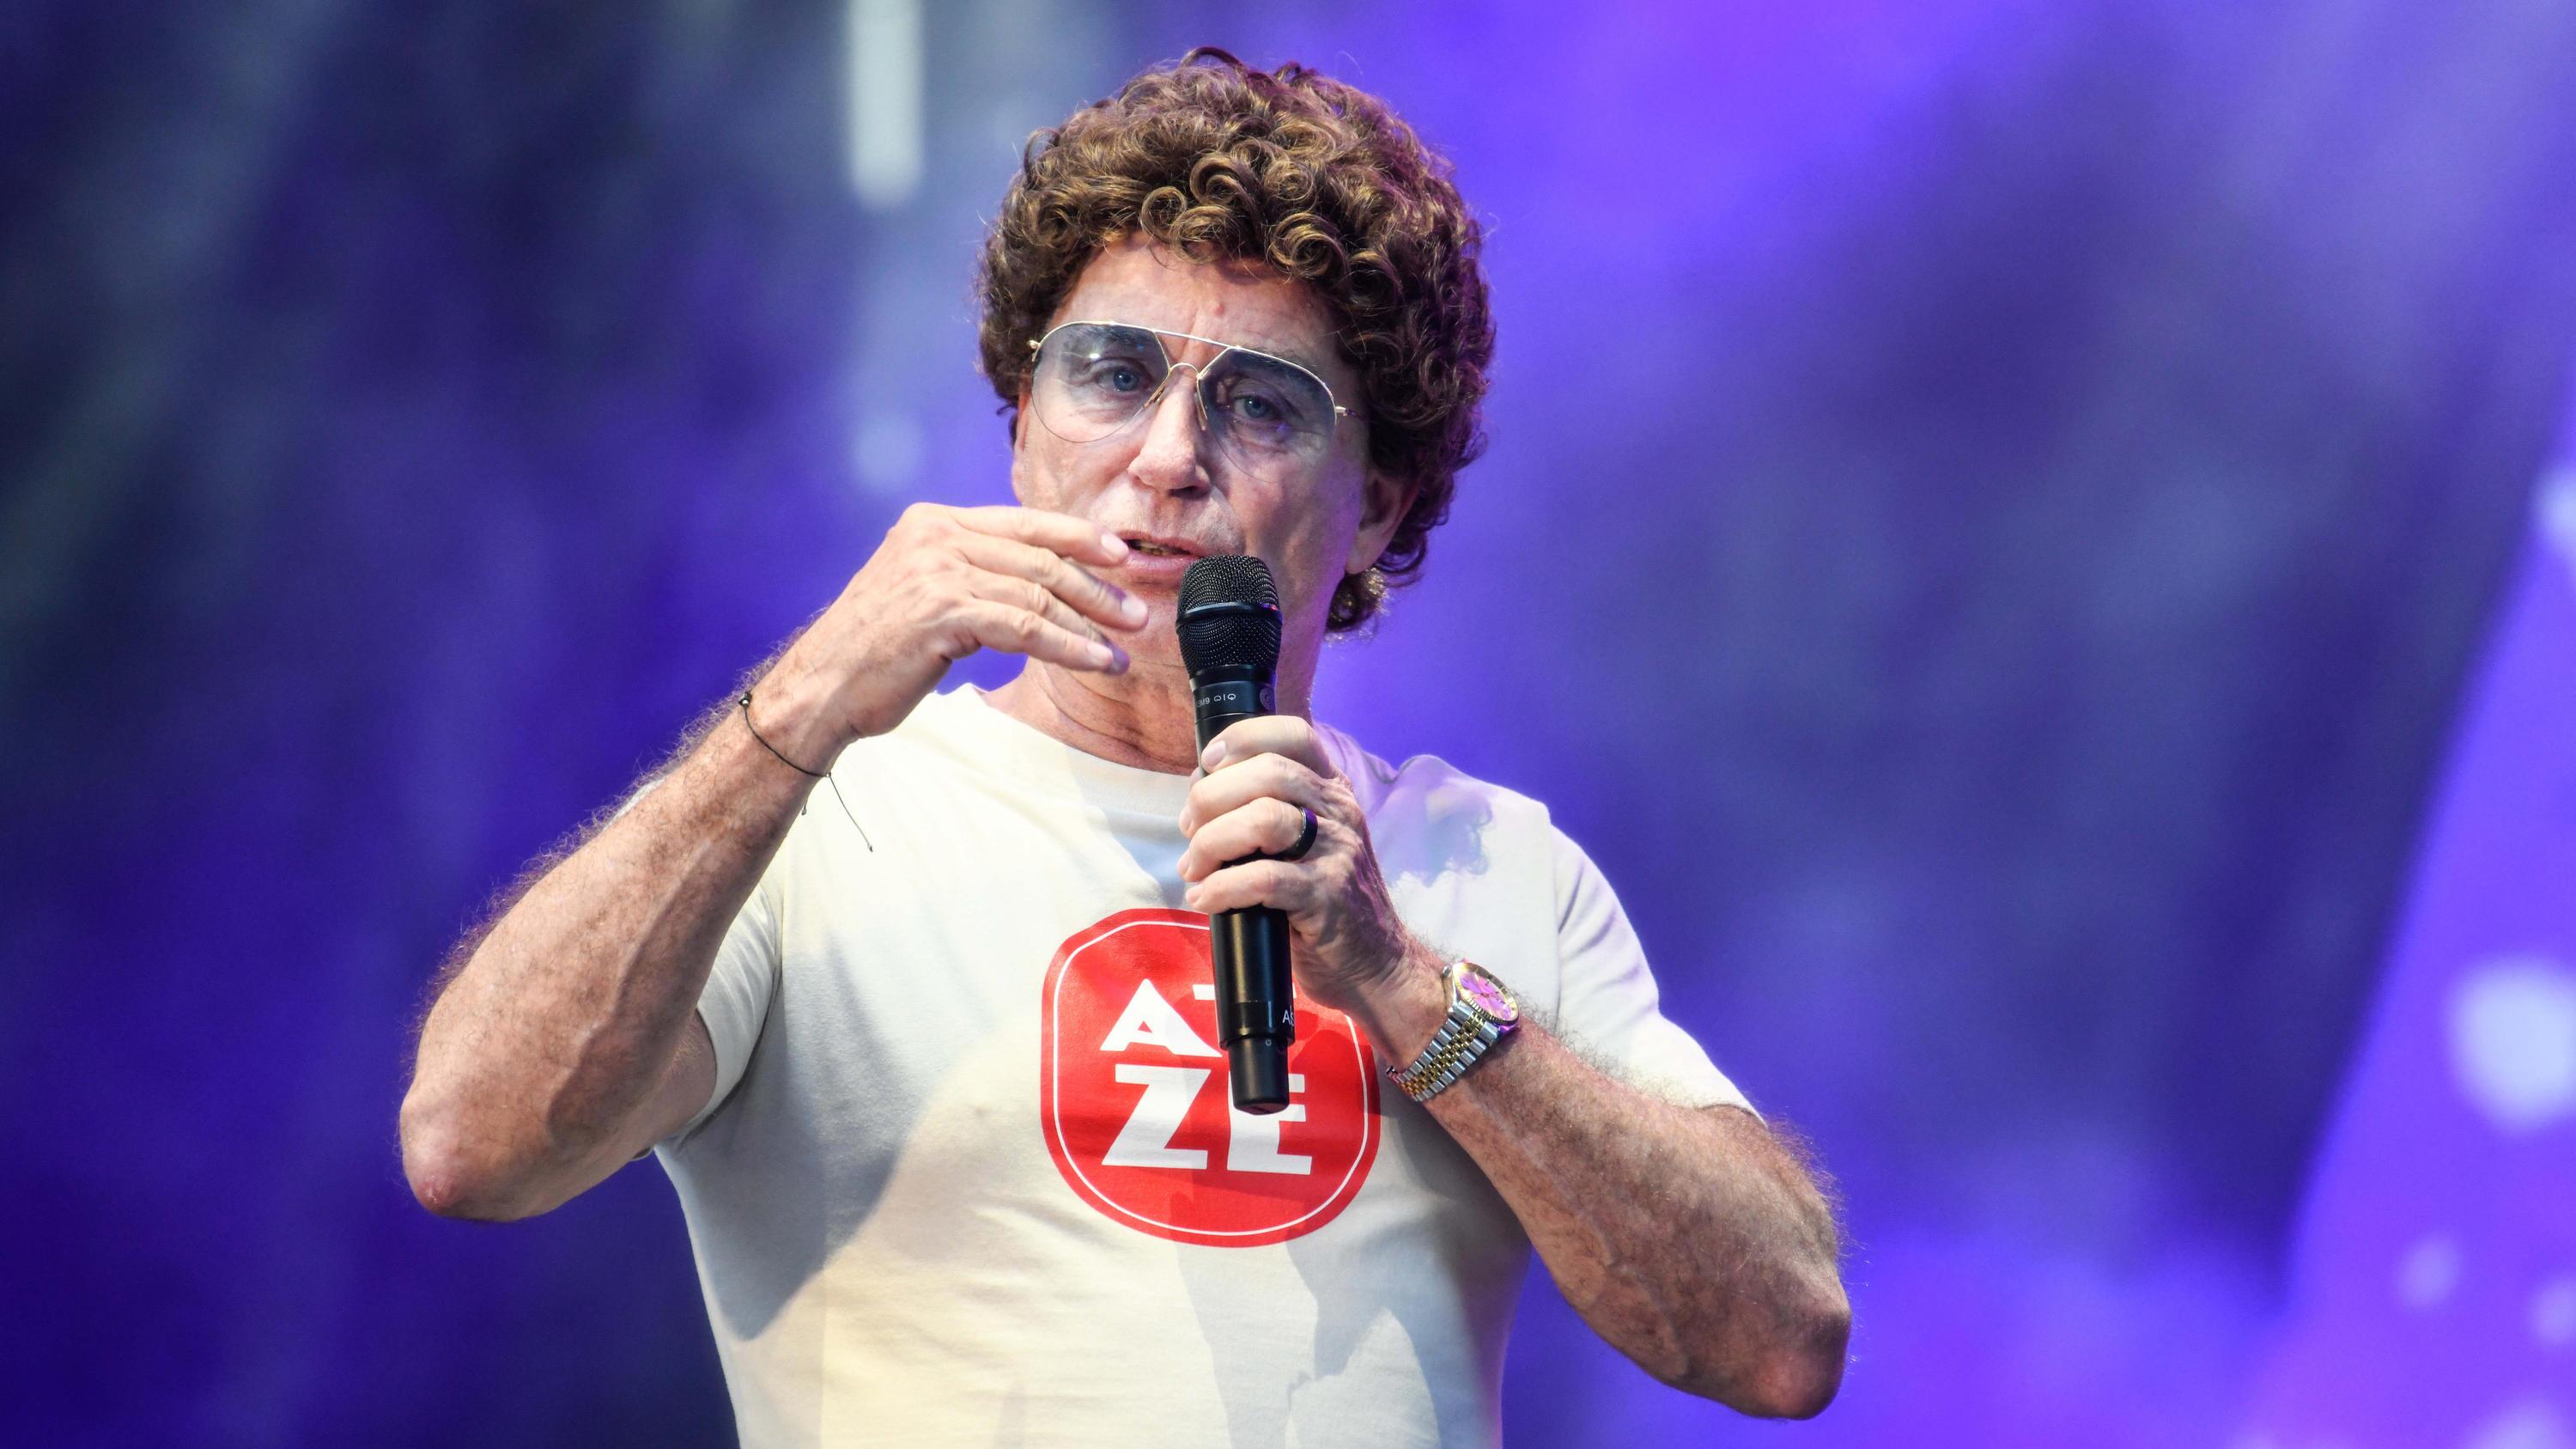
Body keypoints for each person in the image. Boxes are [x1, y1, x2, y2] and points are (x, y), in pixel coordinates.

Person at [400, 47, 1849, 1446]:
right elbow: (473, 1146)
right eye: (1110, 373)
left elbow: (1782, 1344)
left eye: (1261, 405)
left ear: (1380, 508)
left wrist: (1405, 987)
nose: (1166, 459)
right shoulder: (822, 823)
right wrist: (796, 712)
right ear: (1020, 427)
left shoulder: (1480, 863)